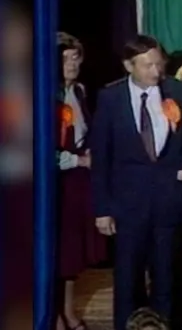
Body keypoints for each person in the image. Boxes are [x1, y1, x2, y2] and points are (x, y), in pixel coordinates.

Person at [90, 35, 182, 330]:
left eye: (158, 63)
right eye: (147, 65)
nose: (156, 71)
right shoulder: (110, 99)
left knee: (167, 273)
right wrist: (102, 209)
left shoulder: (176, 91)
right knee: (128, 275)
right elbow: (101, 157)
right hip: (128, 205)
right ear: (129, 66)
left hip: (169, 200)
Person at [55, 32, 107, 330]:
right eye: (64, 58)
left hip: (77, 185)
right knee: (56, 252)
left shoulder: (80, 92)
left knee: (73, 255)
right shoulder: (40, 94)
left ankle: (69, 311)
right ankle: (53, 315)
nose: (72, 63)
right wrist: (78, 160)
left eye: (75, 57)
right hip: (52, 186)